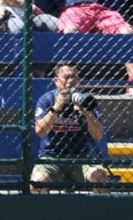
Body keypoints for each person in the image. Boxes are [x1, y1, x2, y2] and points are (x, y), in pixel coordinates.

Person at [31, 64, 109, 192]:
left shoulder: (85, 100)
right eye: (66, 77)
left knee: (101, 178)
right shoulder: (46, 99)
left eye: (74, 77)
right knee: (37, 183)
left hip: (81, 157)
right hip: (51, 157)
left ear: (79, 81)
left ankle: (96, 211)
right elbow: (40, 131)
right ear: (56, 80)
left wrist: (86, 113)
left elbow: (98, 135)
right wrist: (56, 107)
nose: (71, 81)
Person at [59, 0, 133, 96]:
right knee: (70, 31)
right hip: (75, 7)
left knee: (127, 32)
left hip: (103, 9)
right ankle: (69, 82)